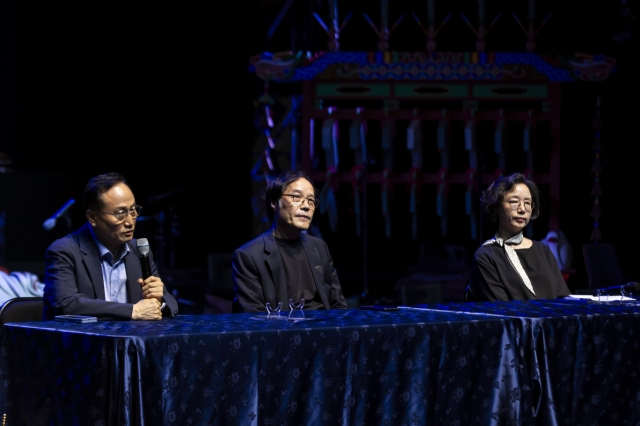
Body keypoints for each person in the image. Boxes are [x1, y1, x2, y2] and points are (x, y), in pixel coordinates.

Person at [42, 172, 178, 320]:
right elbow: (66, 304)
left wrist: (158, 302)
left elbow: (170, 303)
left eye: (133, 211)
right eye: (120, 214)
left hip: (129, 341)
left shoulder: (138, 250)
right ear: (92, 217)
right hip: (82, 341)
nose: (130, 222)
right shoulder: (64, 251)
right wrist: (132, 311)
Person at [232, 170, 348, 312]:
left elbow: (339, 307)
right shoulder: (249, 255)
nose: (306, 206)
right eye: (296, 197)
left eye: (311, 200)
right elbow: (255, 320)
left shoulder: (319, 247)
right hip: (281, 332)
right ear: (275, 202)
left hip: (323, 330)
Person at [466, 172, 571, 302]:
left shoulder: (544, 250)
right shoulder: (486, 256)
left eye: (527, 203)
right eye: (514, 202)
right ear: (496, 207)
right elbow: (501, 311)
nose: (522, 209)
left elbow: (563, 300)